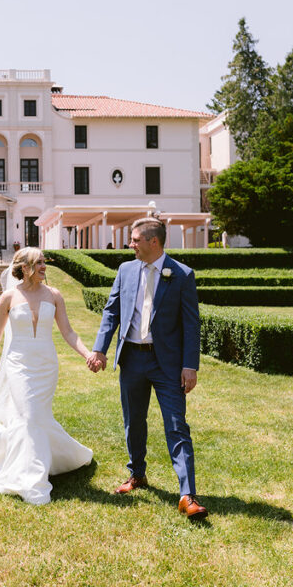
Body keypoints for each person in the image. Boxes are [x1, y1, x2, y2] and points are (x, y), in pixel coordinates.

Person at [0, 247, 93, 505]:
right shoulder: (9, 297)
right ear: (25, 268)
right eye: (40, 263)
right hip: (18, 366)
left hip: (46, 366)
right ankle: (31, 480)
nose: (45, 267)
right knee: (29, 416)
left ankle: (52, 460)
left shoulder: (55, 295)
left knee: (37, 418)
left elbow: (68, 332)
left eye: (45, 262)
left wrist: (87, 354)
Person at [86, 218, 207, 521]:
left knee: (177, 425)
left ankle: (187, 495)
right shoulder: (126, 270)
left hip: (167, 363)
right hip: (132, 359)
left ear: (154, 242)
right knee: (133, 422)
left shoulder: (182, 275)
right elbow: (111, 311)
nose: (131, 245)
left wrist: (190, 366)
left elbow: (192, 324)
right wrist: (100, 349)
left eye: (135, 239)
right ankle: (136, 475)